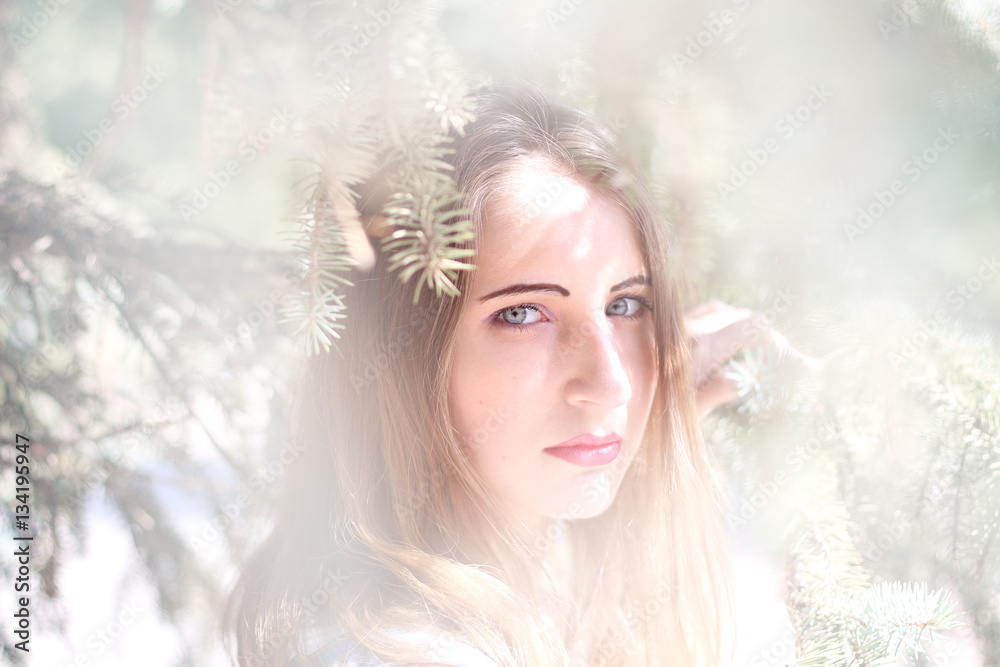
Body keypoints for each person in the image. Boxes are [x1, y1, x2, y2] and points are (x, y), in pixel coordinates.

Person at [225, 82, 798, 667]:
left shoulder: (505, 598)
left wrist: (660, 430)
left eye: (624, 305)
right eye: (521, 314)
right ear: (398, 355)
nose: (611, 385)